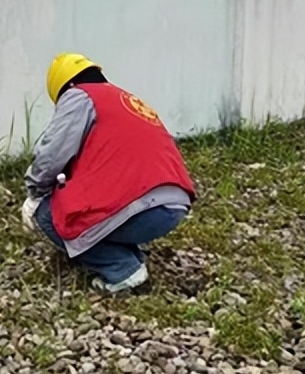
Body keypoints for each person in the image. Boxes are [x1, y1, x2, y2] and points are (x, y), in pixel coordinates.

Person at [22, 53, 195, 293]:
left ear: (65, 87)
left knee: (49, 214)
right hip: (173, 202)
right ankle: (131, 258)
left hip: (143, 206)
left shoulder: (78, 96)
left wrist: (35, 191)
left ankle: (123, 269)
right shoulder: (122, 98)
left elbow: (53, 154)